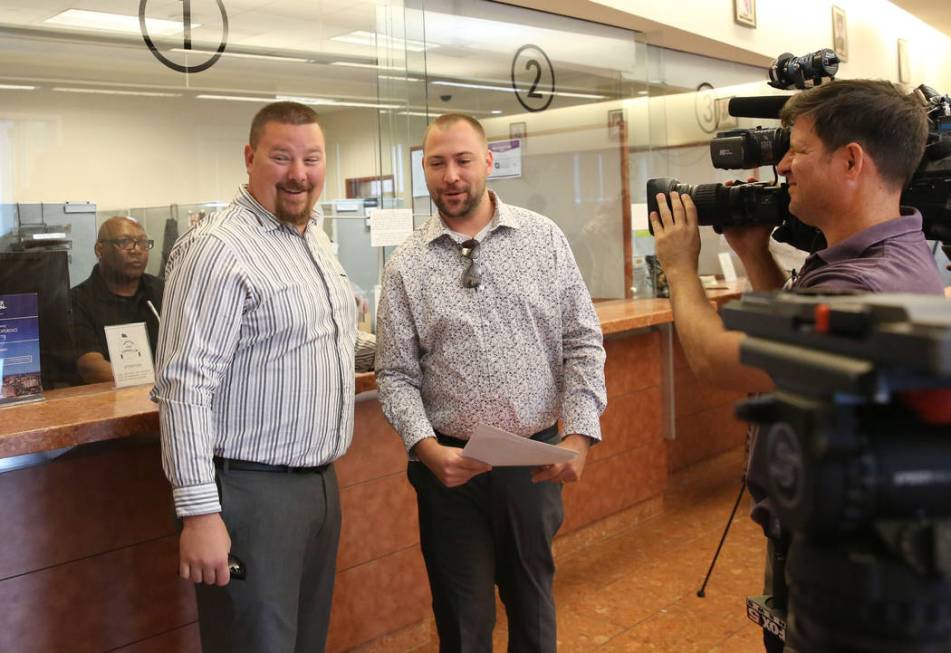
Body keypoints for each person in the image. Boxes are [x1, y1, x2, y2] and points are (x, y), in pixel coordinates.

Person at [650, 79, 944, 652]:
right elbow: (792, 342)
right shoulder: (885, 255)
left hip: (850, 569)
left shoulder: (862, 288)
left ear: (852, 159)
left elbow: (716, 361)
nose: (782, 165)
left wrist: (680, 268)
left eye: (799, 150)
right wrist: (754, 253)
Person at [375, 113, 606, 652]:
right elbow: (395, 374)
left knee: (532, 610)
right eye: (437, 163)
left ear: (488, 163)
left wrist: (580, 436)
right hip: (448, 473)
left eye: (462, 160)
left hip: (533, 461)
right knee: (462, 620)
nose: (450, 175)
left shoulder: (542, 239)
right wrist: (426, 448)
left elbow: (582, 342)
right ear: (424, 171)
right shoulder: (406, 264)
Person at [151, 101, 357, 653]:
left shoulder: (313, 238)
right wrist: (199, 513)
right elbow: (183, 386)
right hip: (249, 493)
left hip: (318, 485)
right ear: (249, 157)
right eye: (281, 157)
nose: (299, 173)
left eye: (311, 159)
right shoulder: (217, 248)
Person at [70, 216, 164, 384]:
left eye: (143, 243)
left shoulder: (162, 291)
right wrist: (153, 382)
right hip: (108, 402)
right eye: (124, 242)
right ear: (100, 250)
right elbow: (90, 366)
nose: (136, 250)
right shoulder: (77, 300)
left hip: (164, 397)